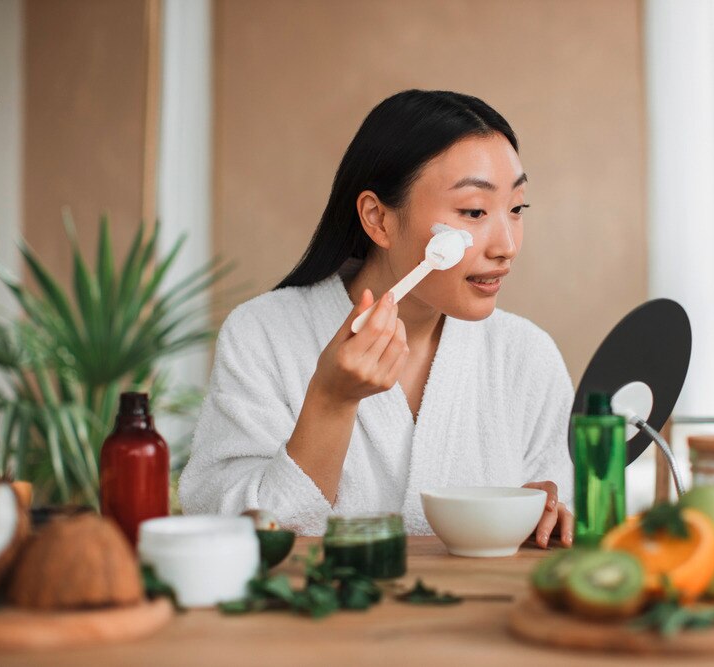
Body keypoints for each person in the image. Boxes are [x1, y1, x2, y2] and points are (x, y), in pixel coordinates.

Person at [179, 90, 574, 547]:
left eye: (516, 209)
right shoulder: (263, 335)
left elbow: (563, 517)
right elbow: (225, 529)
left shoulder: (526, 355)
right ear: (378, 219)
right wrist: (330, 404)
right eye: (473, 212)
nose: (506, 244)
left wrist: (544, 516)